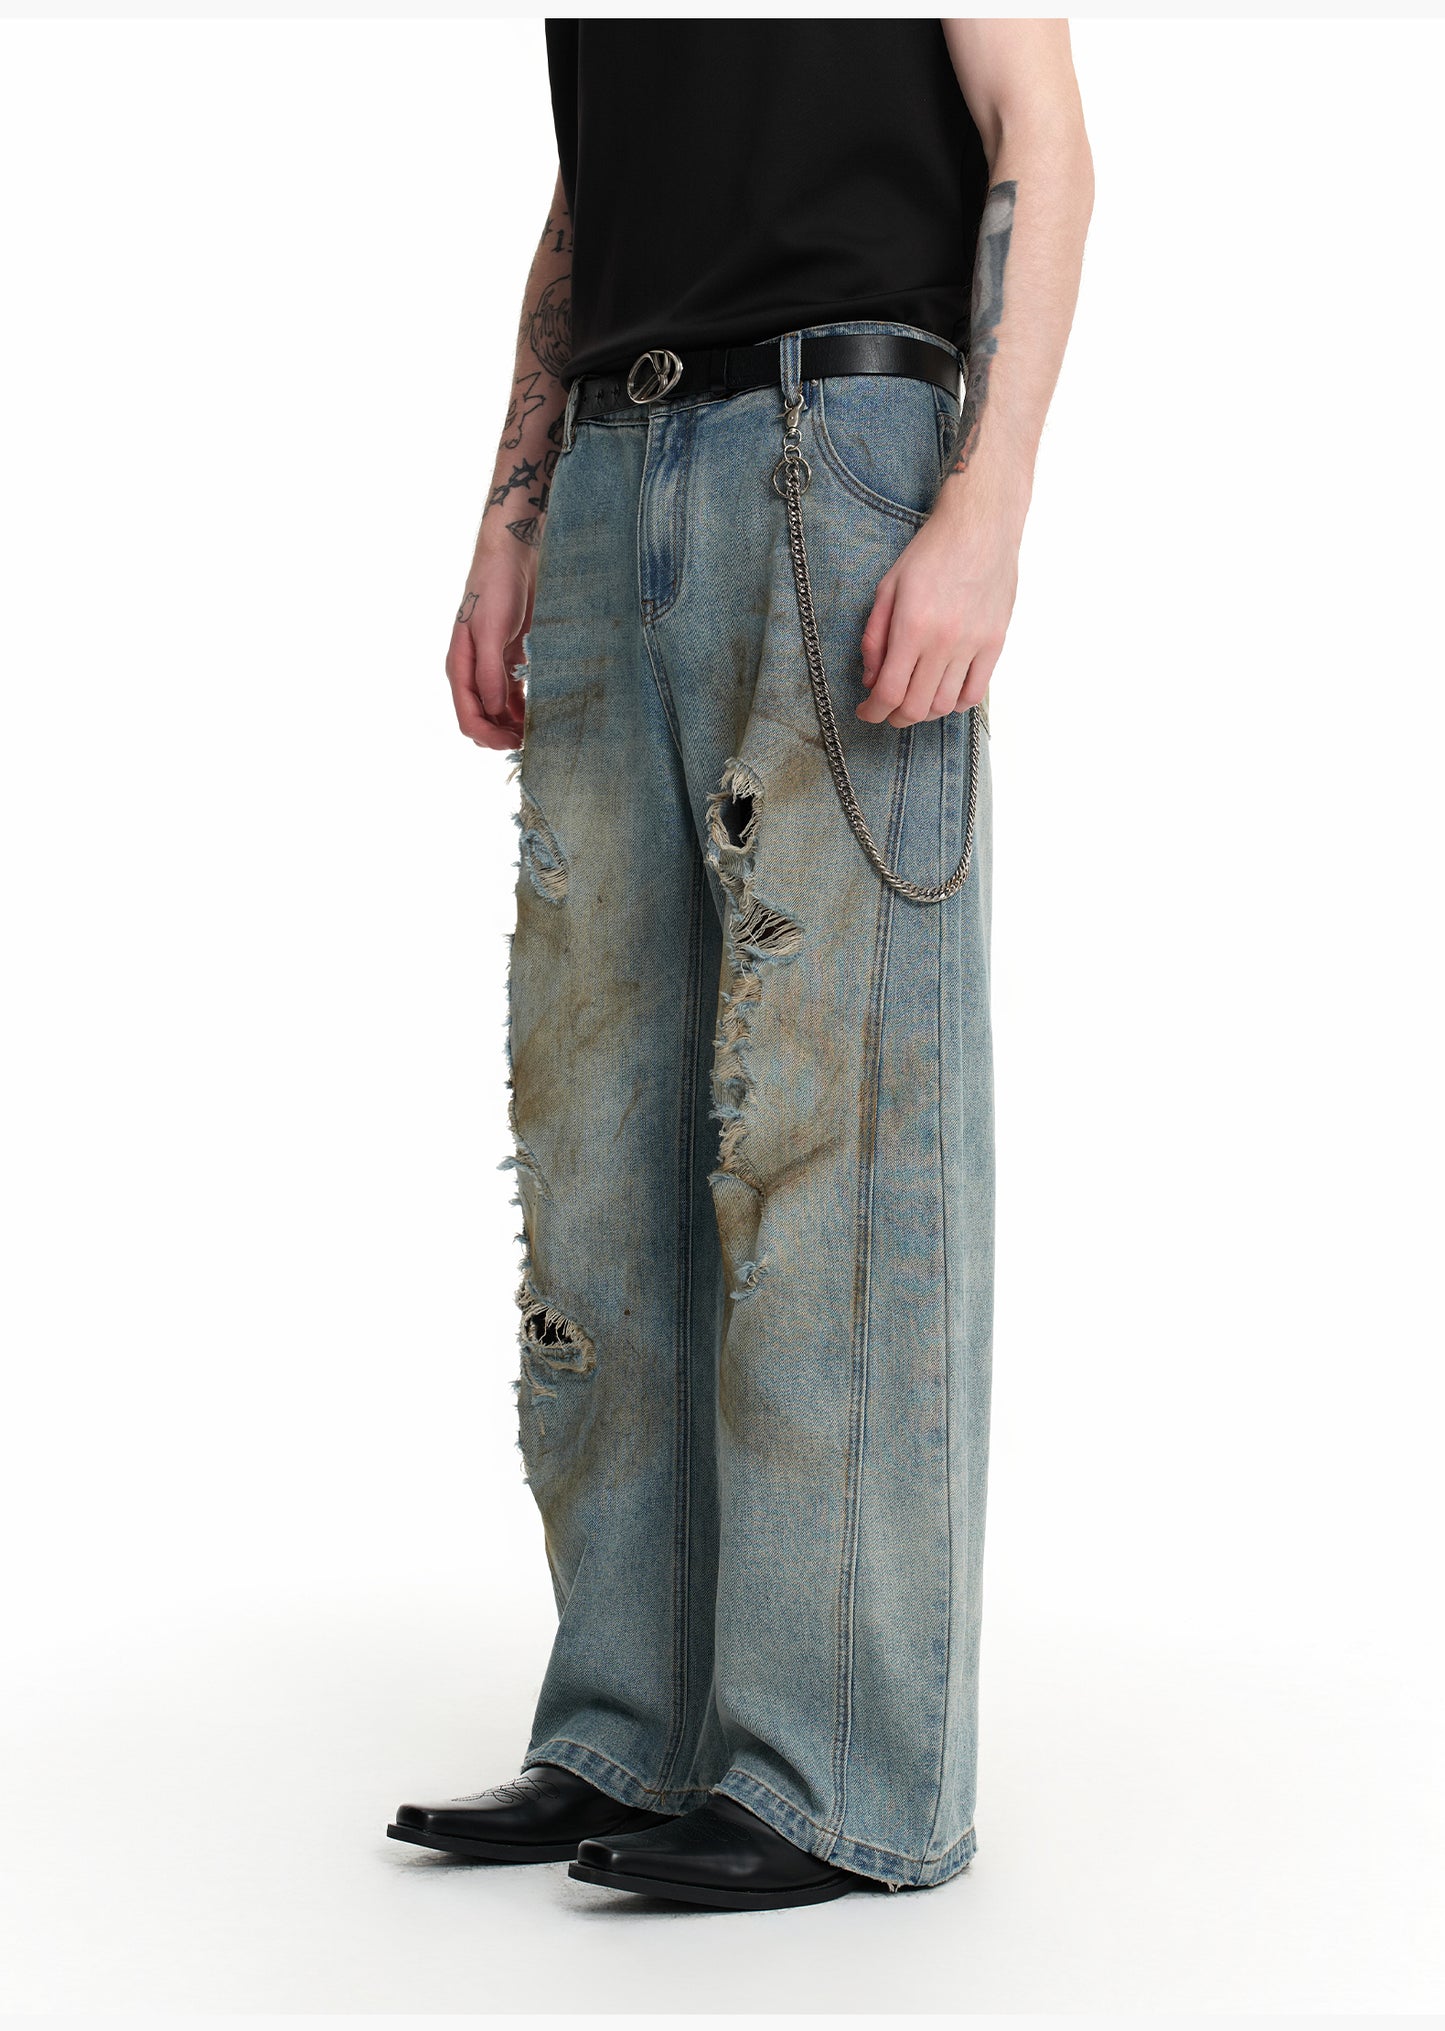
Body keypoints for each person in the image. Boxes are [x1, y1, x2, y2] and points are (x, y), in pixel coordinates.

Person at [388, 18, 1092, 1911]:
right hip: (615, 460)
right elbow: (595, 193)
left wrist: (984, 511)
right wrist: (514, 508)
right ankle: (629, 1727)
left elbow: (1037, 131)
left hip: (837, 448)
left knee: (833, 1122)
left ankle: (836, 1776)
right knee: (602, 1134)